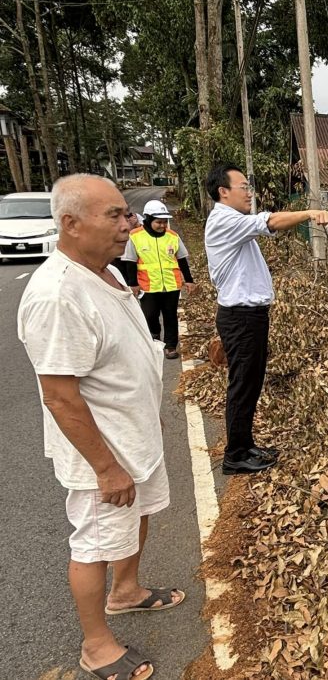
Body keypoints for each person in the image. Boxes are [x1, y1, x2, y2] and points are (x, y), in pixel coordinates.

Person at [17, 174, 184, 680]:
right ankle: (95, 645)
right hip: (103, 451)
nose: (128, 223)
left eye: (125, 213)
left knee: (142, 512)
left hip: (135, 435)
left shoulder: (106, 273)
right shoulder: (58, 295)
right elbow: (61, 396)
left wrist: (147, 408)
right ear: (69, 224)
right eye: (113, 215)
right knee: (93, 543)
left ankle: (127, 591)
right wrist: (106, 468)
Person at [204, 163, 328, 475]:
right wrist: (309, 214)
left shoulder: (233, 220)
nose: (249, 192)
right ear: (223, 192)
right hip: (241, 317)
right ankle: (235, 455)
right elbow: (272, 221)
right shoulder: (224, 219)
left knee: (249, 384)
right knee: (242, 385)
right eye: (243, 187)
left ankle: (245, 445)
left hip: (247, 316)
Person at [123, 200, 197, 360]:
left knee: (170, 316)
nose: (163, 225)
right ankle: (155, 335)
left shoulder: (173, 236)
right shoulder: (135, 237)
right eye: (159, 222)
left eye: (165, 222)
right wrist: (133, 284)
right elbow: (130, 262)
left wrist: (189, 280)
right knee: (150, 314)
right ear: (148, 219)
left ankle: (170, 346)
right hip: (148, 286)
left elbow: (182, 259)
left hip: (171, 285)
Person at [110, 209, 142, 281]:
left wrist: (137, 224)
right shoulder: (112, 220)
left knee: (132, 276)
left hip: (132, 255)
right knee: (121, 278)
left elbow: (146, 231)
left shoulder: (137, 218)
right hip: (118, 256)